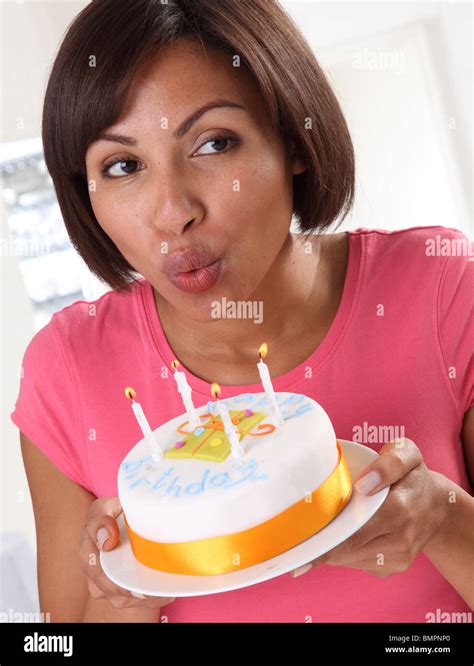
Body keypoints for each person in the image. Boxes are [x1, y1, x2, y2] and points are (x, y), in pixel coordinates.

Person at [11, 0, 473, 623]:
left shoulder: (444, 290)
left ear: (294, 142)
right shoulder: (67, 369)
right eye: (122, 165)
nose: (173, 211)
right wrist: (122, 591)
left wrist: (443, 518)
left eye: (213, 143)